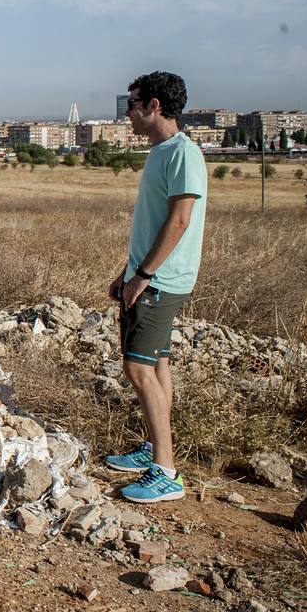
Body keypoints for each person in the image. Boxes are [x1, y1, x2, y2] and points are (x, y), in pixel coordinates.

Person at [103, 71, 206, 503]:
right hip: (147, 276)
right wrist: (128, 272)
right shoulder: (161, 152)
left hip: (161, 281)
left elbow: (180, 221)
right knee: (158, 365)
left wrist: (144, 276)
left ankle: (166, 472)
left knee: (138, 368)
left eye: (132, 103)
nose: (127, 112)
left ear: (155, 106)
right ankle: (154, 450)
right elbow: (153, 224)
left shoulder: (183, 153)